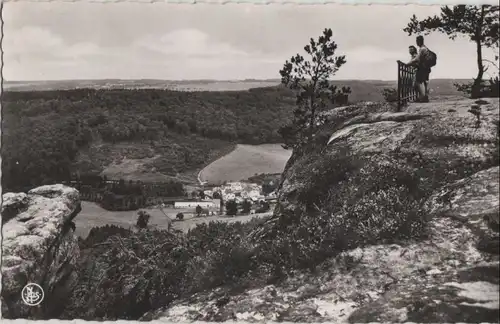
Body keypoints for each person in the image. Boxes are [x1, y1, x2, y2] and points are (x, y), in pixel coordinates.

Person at [409, 36, 431, 102]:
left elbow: (417, 59)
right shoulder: (424, 48)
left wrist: (409, 63)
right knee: (424, 83)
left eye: (417, 41)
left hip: (422, 69)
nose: (417, 42)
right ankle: (423, 98)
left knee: (418, 84)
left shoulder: (422, 49)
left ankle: (422, 98)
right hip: (426, 68)